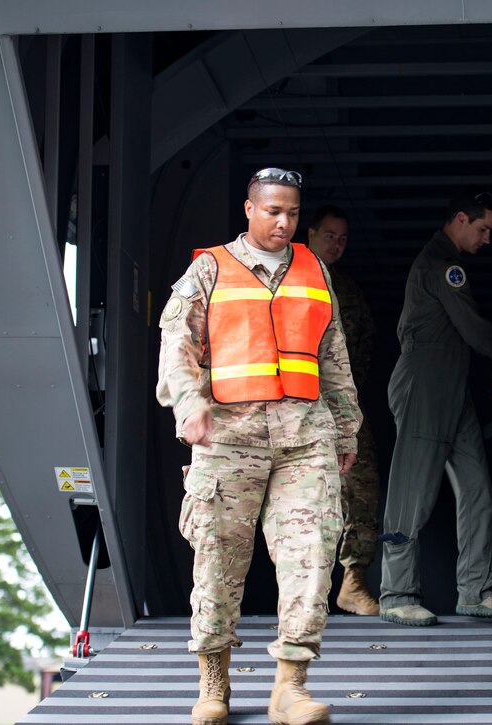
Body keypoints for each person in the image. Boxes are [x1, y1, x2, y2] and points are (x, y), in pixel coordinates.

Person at [156, 167, 361, 725]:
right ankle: (214, 685)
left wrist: (347, 428)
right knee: (218, 560)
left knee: (313, 558)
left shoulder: (314, 268)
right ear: (249, 210)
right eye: (273, 211)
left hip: (304, 435)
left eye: (292, 213)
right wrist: (189, 403)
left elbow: (334, 354)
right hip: (228, 438)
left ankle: (289, 688)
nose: (284, 222)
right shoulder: (209, 268)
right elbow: (176, 344)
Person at [379, 189, 492, 626]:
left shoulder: (443, 263)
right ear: (460, 219)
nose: (487, 239)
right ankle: (397, 593)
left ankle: (477, 589)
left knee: (477, 489)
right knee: (410, 493)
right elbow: (473, 327)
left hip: (450, 385)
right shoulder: (443, 266)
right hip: (425, 383)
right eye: (483, 229)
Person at [306, 204, 382, 616]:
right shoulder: (287, 279)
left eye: (343, 238)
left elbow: (364, 346)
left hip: (341, 408)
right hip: (294, 409)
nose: (336, 244)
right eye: (330, 235)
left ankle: (354, 581)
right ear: (311, 233)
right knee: (301, 500)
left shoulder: (348, 289)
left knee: (363, 486)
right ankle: (304, 592)